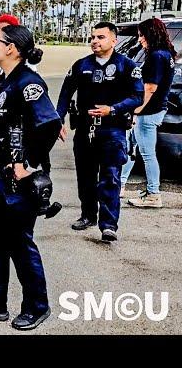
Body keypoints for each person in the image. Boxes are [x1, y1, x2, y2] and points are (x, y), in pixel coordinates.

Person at [0, 25, 61, 331]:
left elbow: (49, 124)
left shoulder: (29, 83)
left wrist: (28, 164)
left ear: (12, 49)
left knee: (20, 244)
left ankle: (36, 306)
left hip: (19, 182)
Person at [56, 22, 144, 242]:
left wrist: (113, 109)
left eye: (101, 37)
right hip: (85, 129)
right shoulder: (81, 65)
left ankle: (108, 225)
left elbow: (137, 97)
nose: (95, 41)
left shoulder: (127, 66)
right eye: (93, 37)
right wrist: (59, 120)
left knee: (110, 177)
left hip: (112, 130)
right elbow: (66, 94)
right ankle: (88, 215)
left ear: (114, 40)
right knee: (85, 176)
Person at [121, 18, 177, 208]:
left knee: (146, 154)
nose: (140, 39)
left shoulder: (156, 56)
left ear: (150, 35)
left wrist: (135, 109)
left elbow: (150, 88)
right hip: (155, 109)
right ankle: (119, 185)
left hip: (148, 112)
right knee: (130, 149)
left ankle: (154, 194)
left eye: (141, 35)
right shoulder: (166, 54)